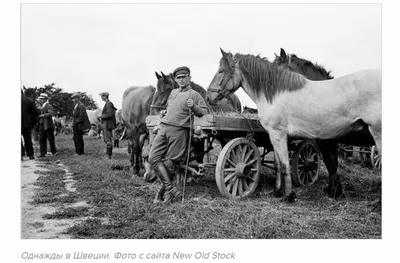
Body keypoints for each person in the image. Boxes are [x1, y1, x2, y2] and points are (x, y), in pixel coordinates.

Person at [148, 66, 209, 204]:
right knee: (153, 158)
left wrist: (194, 106)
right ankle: (171, 189)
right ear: (175, 80)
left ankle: (164, 193)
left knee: (170, 163)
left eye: (184, 77)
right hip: (164, 128)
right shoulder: (173, 93)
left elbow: (204, 112)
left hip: (180, 130)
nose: (181, 80)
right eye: (178, 78)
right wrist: (165, 112)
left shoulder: (195, 95)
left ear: (189, 78)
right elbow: (170, 108)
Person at [21, 90, 39, 160]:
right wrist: (34, 122)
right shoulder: (29, 101)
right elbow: (35, 112)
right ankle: (30, 155)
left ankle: (21, 155)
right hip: (27, 123)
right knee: (28, 139)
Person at [99, 92, 116, 159]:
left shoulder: (109, 104)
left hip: (108, 124)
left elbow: (110, 114)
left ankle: (109, 155)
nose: (101, 98)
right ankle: (107, 154)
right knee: (106, 140)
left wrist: (101, 116)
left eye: (102, 96)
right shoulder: (107, 104)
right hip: (106, 124)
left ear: (105, 96)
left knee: (108, 140)